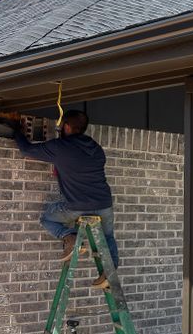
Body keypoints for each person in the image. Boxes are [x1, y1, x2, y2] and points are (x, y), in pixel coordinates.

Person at [11, 111, 118, 288]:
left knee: (47, 219)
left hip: (77, 206)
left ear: (67, 126)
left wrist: (16, 130)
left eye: (62, 126)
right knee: (108, 237)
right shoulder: (96, 148)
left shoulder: (61, 147)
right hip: (104, 204)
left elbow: (27, 150)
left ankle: (70, 237)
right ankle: (109, 273)